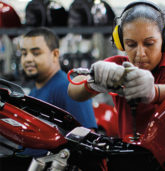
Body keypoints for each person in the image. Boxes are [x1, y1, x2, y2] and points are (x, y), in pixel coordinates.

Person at [68, 1, 165, 139]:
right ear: (121, 43)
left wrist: (154, 92)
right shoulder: (118, 65)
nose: (140, 53)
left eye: (149, 44)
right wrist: (93, 83)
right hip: (133, 156)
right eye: (131, 44)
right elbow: (73, 90)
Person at [0, 27, 98, 171]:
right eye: (24, 53)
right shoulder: (34, 91)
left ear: (55, 54)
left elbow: (89, 141)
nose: (28, 59)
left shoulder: (67, 88)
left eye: (36, 53)